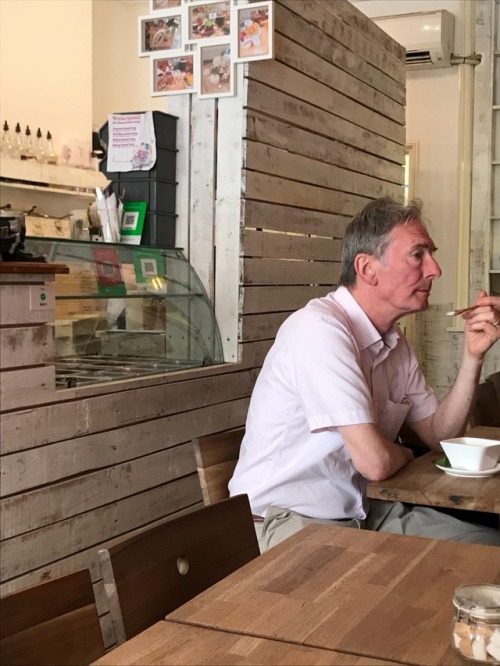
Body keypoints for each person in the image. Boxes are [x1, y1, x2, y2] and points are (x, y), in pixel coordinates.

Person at [228, 197, 500, 551]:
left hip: (365, 513)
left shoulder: (394, 341)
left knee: (488, 552)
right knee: (414, 592)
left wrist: (472, 355)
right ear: (368, 269)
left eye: (431, 255)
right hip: (287, 522)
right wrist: (404, 454)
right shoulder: (319, 329)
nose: (435, 269)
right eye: (418, 255)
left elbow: (439, 435)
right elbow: (375, 463)